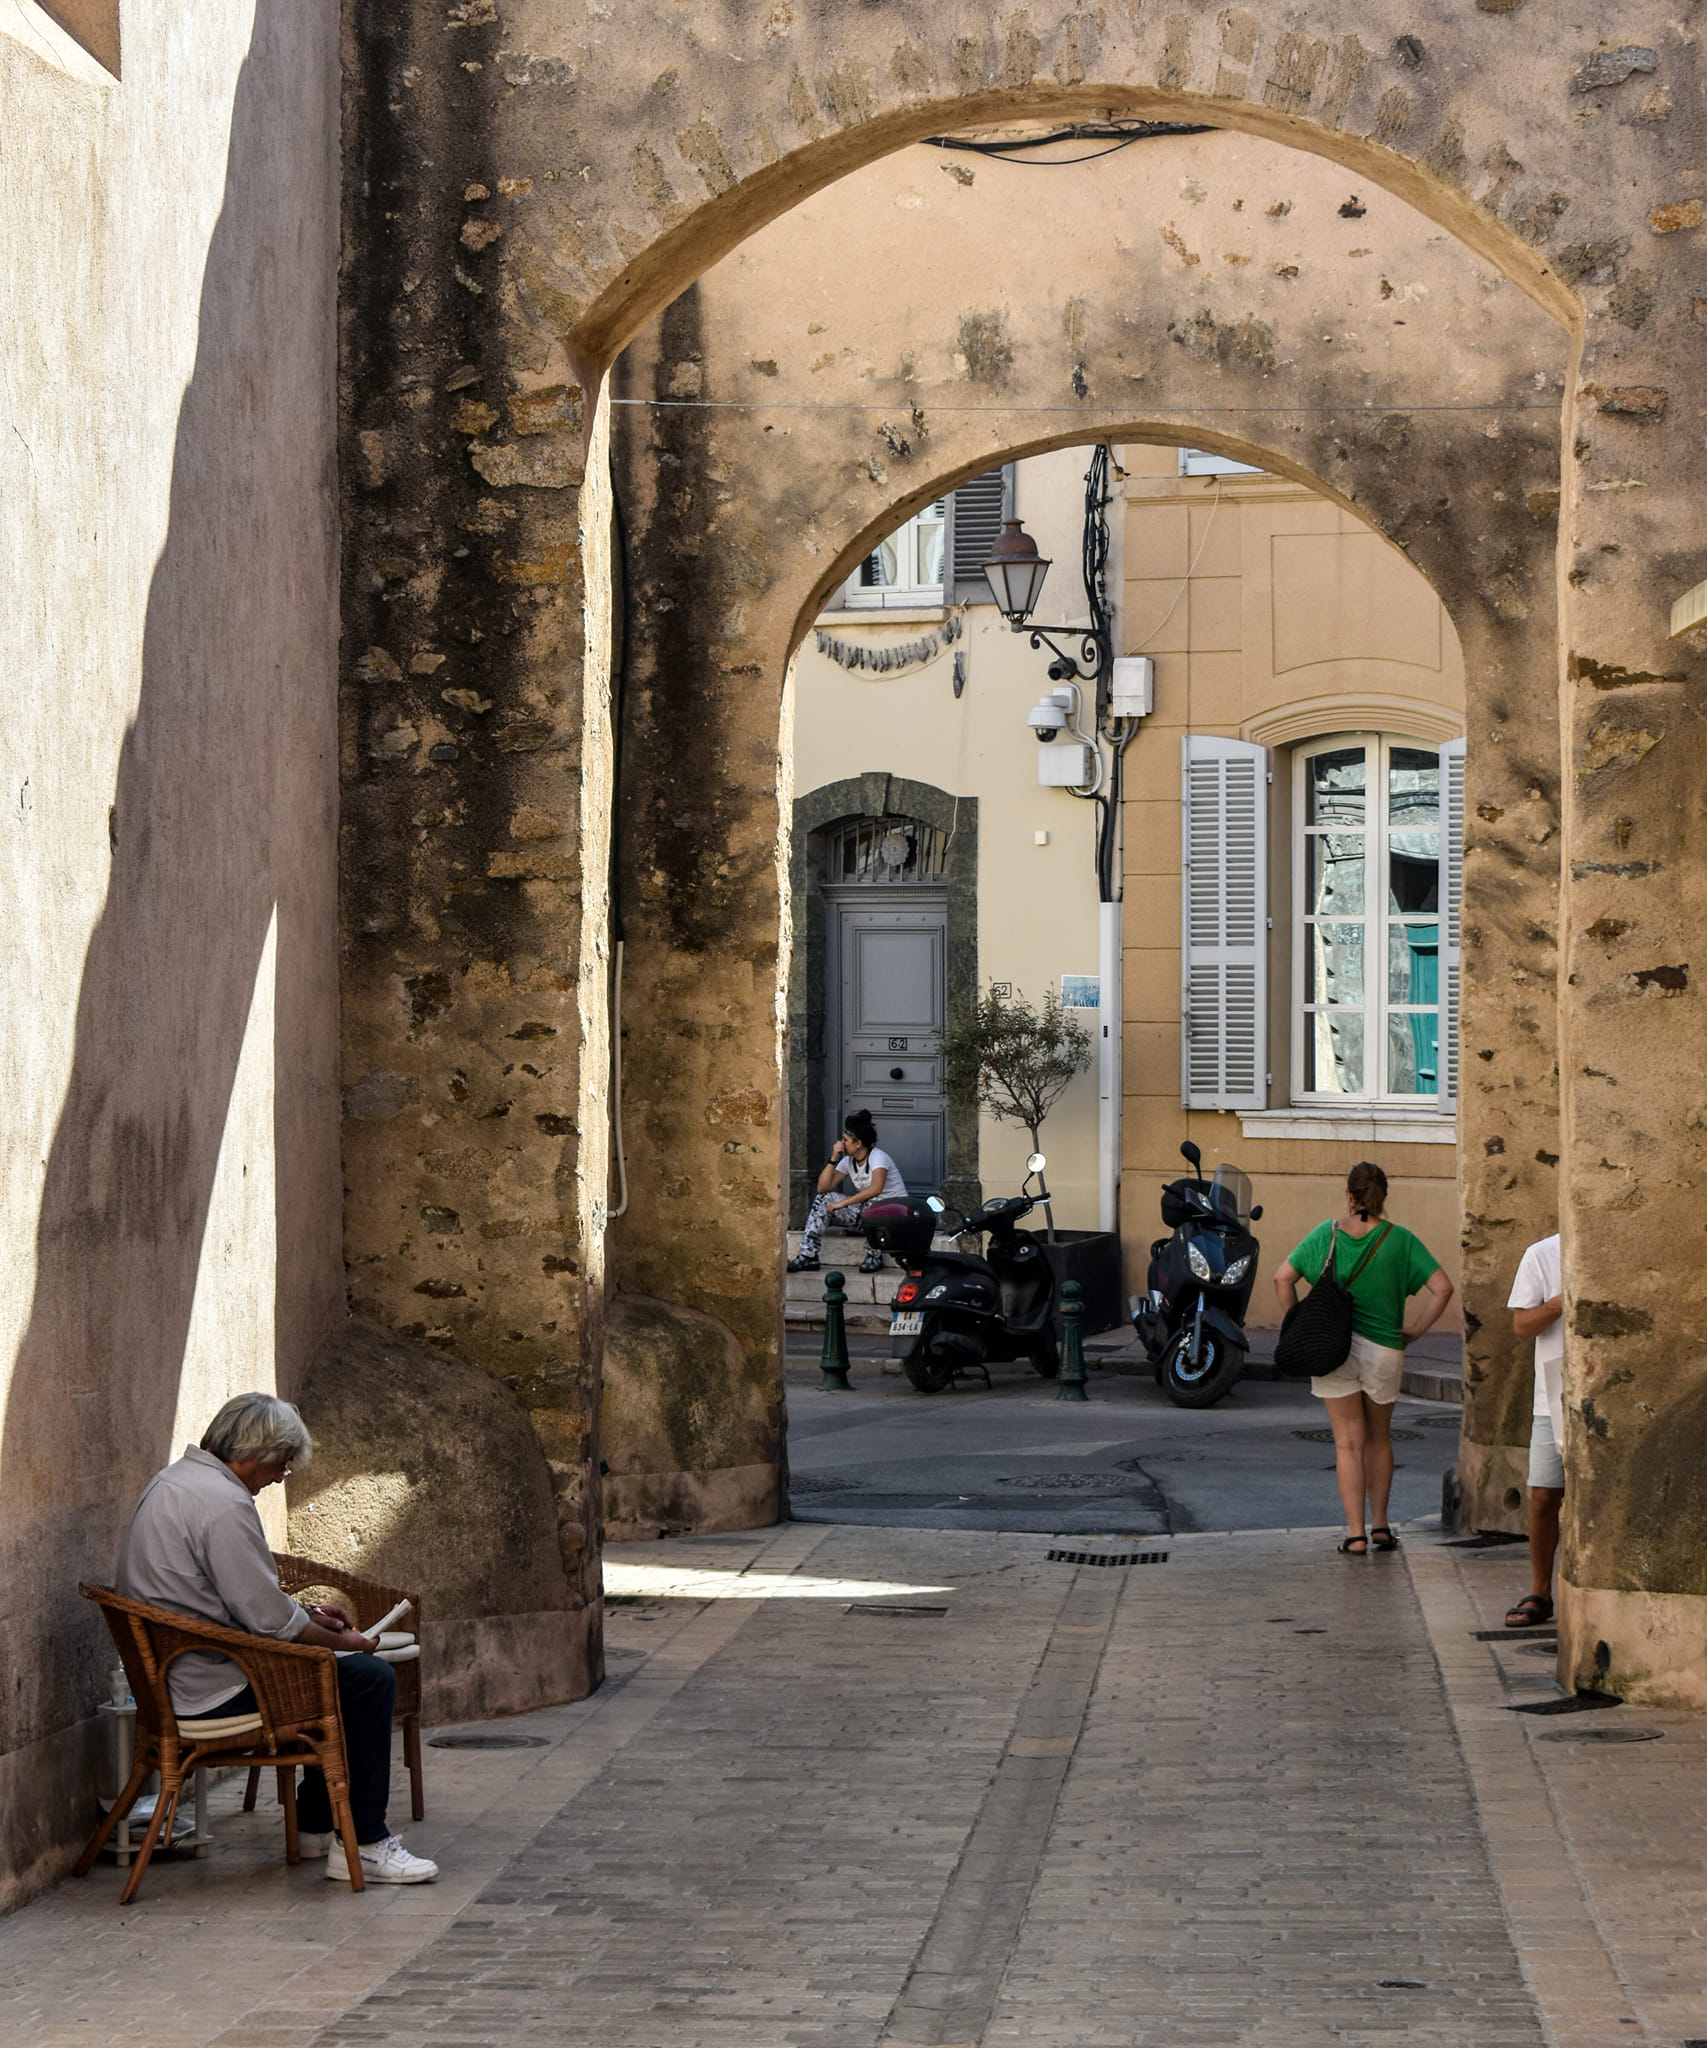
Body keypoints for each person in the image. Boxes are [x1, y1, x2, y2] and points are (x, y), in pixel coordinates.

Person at [117, 1392, 438, 1885]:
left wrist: (309, 1616)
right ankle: (367, 1843)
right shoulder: (223, 1503)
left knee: (331, 1672)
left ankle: (315, 1826)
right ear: (254, 1453)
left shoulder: (177, 1481)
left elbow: (238, 1597)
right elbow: (268, 1621)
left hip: (179, 1675)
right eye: (282, 1464)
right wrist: (343, 1642)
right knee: (369, 1680)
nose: (279, 1478)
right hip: (209, 1687)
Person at [1273, 1161, 1455, 1556]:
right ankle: (1382, 1527)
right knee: (1379, 1438)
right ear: (1383, 1197)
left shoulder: (1326, 1234)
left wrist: (1298, 1321)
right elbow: (1442, 1287)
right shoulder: (1400, 1239)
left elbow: (1281, 1277)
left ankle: (1355, 1535)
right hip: (1384, 1349)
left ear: (1349, 1195)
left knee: (1348, 1445)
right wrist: (1416, 1330)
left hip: (1330, 1348)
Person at [1505, 1230, 1564, 1628]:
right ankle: (1540, 1592)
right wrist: (1560, 1303)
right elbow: (1522, 1325)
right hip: (1552, 1394)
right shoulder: (1542, 1253)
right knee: (1544, 1495)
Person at [786, 1109, 907, 1274]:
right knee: (824, 1199)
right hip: (868, 1215)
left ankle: (874, 1256)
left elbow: (875, 1189)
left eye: (845, 1140)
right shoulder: (848, 1161)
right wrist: (833, 1159)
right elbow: (822, 1188)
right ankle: (808, 1255)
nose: (841, 1143)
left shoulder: (878, 1158)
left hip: (892, 1216)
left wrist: (842, 1203)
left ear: (858, 1143)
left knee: (873, 1207)